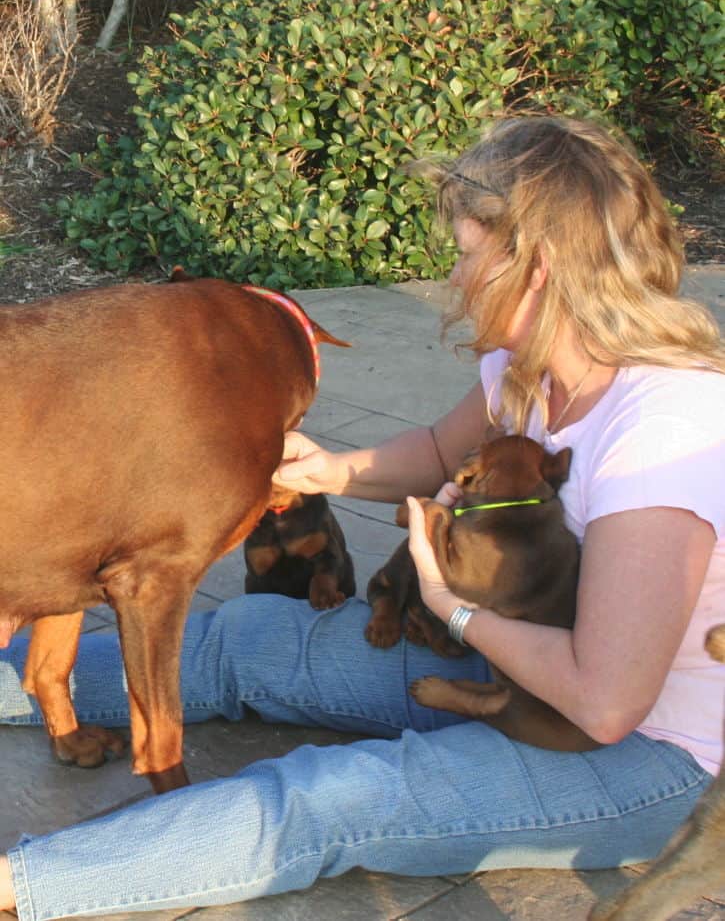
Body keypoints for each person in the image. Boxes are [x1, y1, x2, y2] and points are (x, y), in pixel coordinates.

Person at [1, 115, 724, 920]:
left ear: (537, 266)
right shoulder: (524, 375)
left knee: (328, 795)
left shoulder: (666, 431)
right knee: (250, 639)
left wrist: (452, 610)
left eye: (464, 251)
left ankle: (22, 884)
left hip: (650, 759)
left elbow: (606, 702)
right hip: (511, 667)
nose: (452, 276)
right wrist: (328, 468)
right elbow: (432, 450)